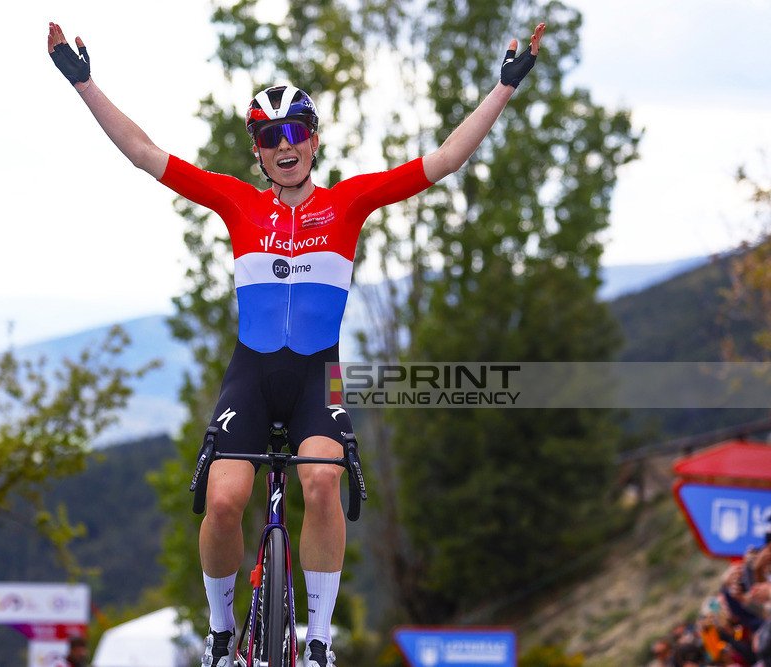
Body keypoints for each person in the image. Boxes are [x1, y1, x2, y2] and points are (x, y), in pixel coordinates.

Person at [47, 19, 546, 667]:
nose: (284, 144)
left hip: (319, 375)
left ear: (313, 140)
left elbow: (446, 160)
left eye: (295, 132)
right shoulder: (236, 203)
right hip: (250, 374)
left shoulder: (347, 203)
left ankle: (317, 640)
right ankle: (223, 633)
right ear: (256, 150)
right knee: (224, 500)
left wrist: (503, 88)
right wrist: (83, 81)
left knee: (319, 483)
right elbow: (144, 153)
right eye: (268, 135)